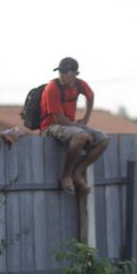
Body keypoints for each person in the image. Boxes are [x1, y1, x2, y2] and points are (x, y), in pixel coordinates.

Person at [40, 57, 108, 195]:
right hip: (50, 126)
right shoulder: (52, 88)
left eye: (65, 72)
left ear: (74, 74)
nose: (61, 75)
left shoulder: (80, 84)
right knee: (81, 135)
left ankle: (77, 172)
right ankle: (66, 176)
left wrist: (85, 119)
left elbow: (90, 95)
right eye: (60, 72)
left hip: (70, 125)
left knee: (104, 140)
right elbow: (59, 119)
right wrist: (80, 128)